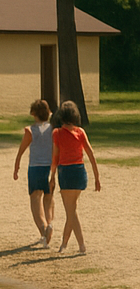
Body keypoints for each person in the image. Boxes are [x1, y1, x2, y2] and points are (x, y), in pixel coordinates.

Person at [52, 100, 101, 254]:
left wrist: (52, 176)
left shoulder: (57, 133)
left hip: (66, 172)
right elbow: (91, 154)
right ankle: (64, 244)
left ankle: (81, 245)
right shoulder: (80, 132)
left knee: (70, 212)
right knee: (72, 210)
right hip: (80, 171)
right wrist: (97, 177)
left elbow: (55, 157)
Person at [12, 99, 57, 247]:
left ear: (33, 113)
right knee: (49, 198)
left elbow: (22, 149)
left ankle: (43, 229)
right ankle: (50, 223)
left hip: (35, 168)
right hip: (49, 168)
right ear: (49, 113)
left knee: (35, 199)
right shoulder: (53, 130)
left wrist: (17, 164)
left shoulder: (30, 130)